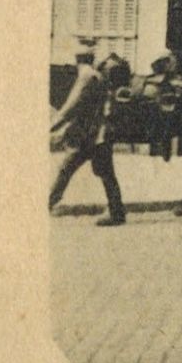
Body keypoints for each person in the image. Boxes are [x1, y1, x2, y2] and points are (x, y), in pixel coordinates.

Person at [48, 40, 127, 226]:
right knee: (107, 174)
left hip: (87, 135)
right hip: (99, 134)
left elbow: (71, 106)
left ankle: (47, 203)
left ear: (78, 59)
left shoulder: (86, 76)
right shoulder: (97, 75)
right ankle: (117, 213)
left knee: (66, 169)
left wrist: (53, 125)